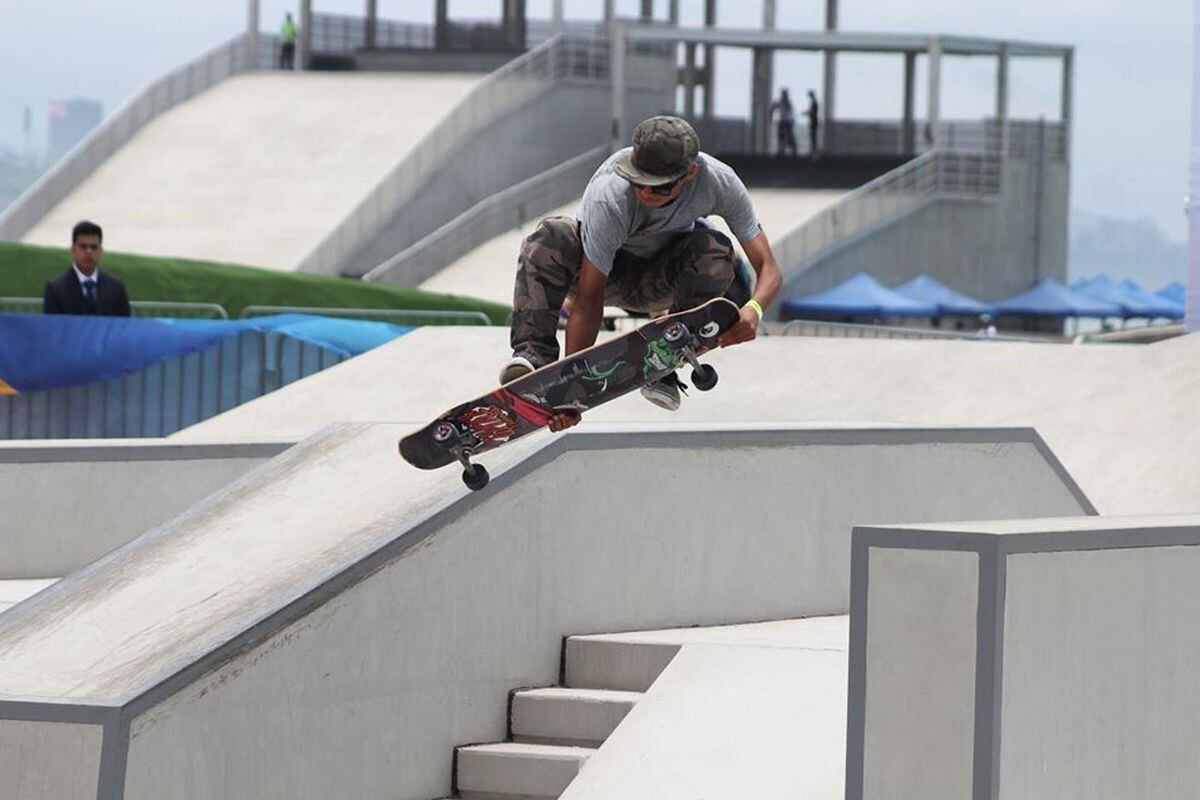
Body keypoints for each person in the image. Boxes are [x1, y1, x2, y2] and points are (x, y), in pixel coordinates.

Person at [501, 115, 782, 432]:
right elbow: (588, 303)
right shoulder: (610, 196)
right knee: (549, 237)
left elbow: (769, 268)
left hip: (660, 279)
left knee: (715, 250)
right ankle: (533, 357)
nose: (645, 193)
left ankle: (668, 353)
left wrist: (754, 310)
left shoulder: (720, 183)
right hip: (604, 278)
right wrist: (571, 391)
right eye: (639, 182)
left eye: (659, 188)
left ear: (690, 174)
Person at [43, 220, 131, 317]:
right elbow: (52, 328)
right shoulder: (56, 289)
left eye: (93, 247)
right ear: (73, 250)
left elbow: (124, 326)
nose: (88, 252)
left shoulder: (116, 288)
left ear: (101, 251)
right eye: (83, 247)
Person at [770, 89, 798, 157]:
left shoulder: (787, 102)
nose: (785, 96)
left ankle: (792, 149)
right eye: (784, 94)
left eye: (785, 94)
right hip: (782, 121)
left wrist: (792, 120)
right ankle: (782, 150)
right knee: (781, 136)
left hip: (787, 122)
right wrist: (771, 116)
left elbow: (791, 113)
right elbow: (773, 108)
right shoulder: (780, 102)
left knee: (789, 136)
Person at [805, 89, 820, 159]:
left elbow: (813, 112)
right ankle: (813, 150)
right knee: (813, 136)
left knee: (813, 136)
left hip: (814, 121)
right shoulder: (814, 102)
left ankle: (814, 150)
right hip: (813, 121)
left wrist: (806, 113)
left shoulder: (814, 102)